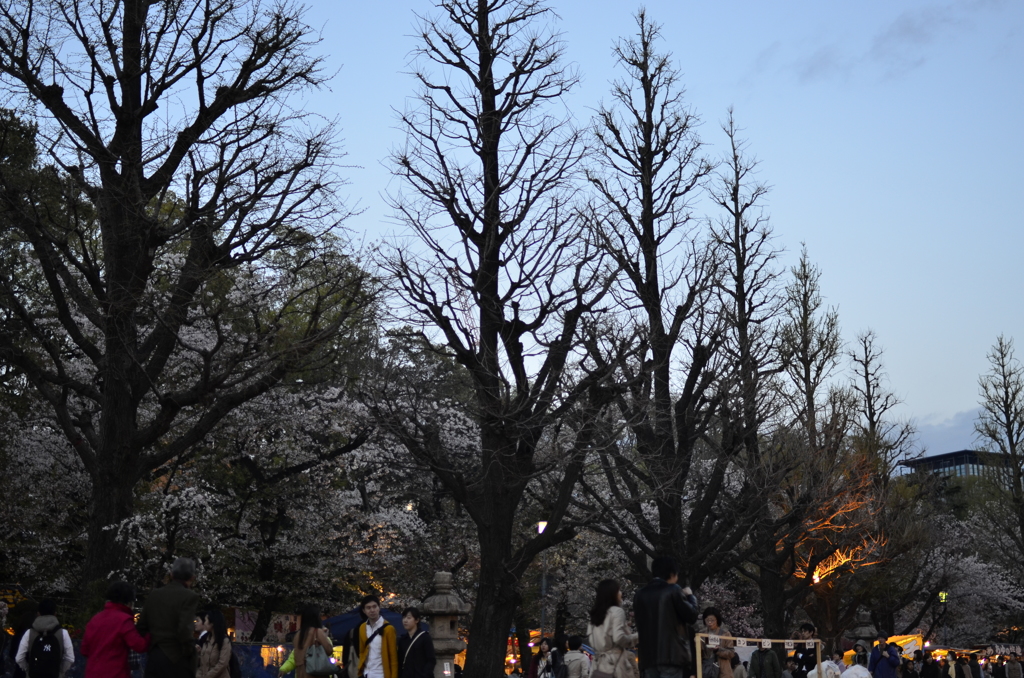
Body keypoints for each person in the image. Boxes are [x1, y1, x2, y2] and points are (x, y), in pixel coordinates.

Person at [633, 557, 700, 678]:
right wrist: (690, 596)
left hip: (648, 657)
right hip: (671, 655)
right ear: (672, 573)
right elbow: (692, 615)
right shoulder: (673, 590)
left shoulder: (640, 594)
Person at [138, 557, 202, 678]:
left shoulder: (154, 594)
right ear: (192, 578)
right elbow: (184, 629)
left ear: (171, 574)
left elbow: (141, 626)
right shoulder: (189, 596)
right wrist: (189, 650)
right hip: (177, 659)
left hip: (154, 657)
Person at [81, 581, 152, 678]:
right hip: (116, 673)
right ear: (128, 602)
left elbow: (84, 650)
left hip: (92, 673)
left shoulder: (95, 619)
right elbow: (139, 645)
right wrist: (149, 633)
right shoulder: (124, 621)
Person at [588, 580, 637, 678]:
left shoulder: (594, 615)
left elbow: (591, 639)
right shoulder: (617, 611)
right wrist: (637, 636)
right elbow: (619, 638)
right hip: (615, 665)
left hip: (598, 666)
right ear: (612, 594)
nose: (621, 594)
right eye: (618, 591)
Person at [15, 599, 75, 678]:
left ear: (38, 613)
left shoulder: (30, 632)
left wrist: (28, 670)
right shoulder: (63, 633)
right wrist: (60, 672)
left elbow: (19, 658)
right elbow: (70, 658)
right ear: (55, 614)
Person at [279, 604, 335, 678]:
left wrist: (283, 669)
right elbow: (329, 650)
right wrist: (325, 636)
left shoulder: (298, 635)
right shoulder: (318, 632)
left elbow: (293, 658)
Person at [357, 596, 398, 678]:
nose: (372, 610)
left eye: (374, 606)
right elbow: (361, 651)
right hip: (366, 673)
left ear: (379, 607)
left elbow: (393, 658)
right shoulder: (362, 628)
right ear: (364, 611)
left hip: (381, 674)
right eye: (368, 608)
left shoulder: (388, 629)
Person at [397, 607, 435, 678]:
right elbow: (400, 661)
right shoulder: (402, 640)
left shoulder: (425, 637)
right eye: (404, 617)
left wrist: (425, 675)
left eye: (409, 618)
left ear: (417, 620)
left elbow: (431, 660)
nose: (405, 620)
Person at [195, 609, 231, 678]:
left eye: (205, 620)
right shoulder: (206, 640)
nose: (204, 623)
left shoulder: (224, 641)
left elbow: (222, 664)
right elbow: (202, 664)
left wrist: (207, 676)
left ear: (212, 623)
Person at [701, 608, 735, 678]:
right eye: (707, 620)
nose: (710, 622)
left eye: (712, 620)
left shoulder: (725, 634)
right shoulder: (702, 634)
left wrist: (718, 650)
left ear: (717, 620)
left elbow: (731, 653)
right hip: (706, 670)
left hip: (723, 671)